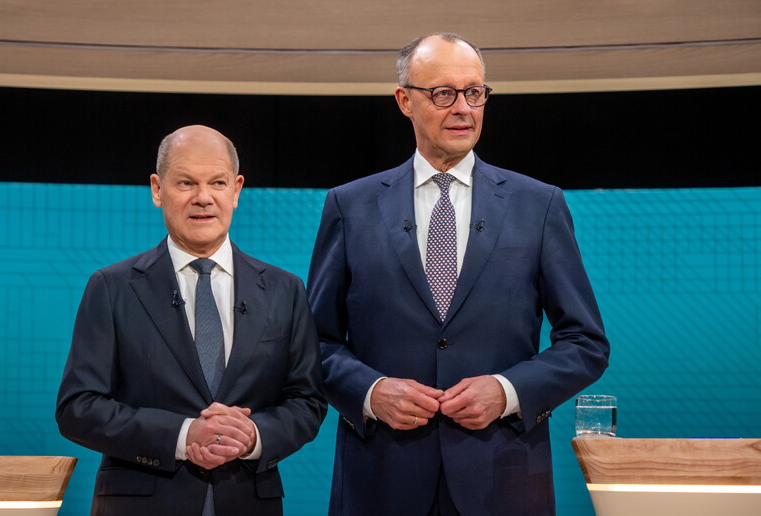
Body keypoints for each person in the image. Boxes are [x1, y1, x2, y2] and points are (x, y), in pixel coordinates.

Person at [307, 33, 610, 515]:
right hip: (381, 478)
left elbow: (586, 342)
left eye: (474, 92)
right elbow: (314, 343)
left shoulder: (539, 205)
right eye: (443, 93)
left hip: (502, 480)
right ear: (404, 101)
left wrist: (508, 392)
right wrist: (371, 392)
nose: (463, 108)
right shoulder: (350, 206)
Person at [56, 125, 326, 516]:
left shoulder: (284, 290)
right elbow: (78, 408)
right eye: (186, 183)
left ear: (236, 190)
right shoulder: (112, 287)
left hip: (247, 501)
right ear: (157, 189)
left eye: (217, 182)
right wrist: (183, 435)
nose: (203, 197)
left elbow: (307, 401)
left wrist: (252, 435)